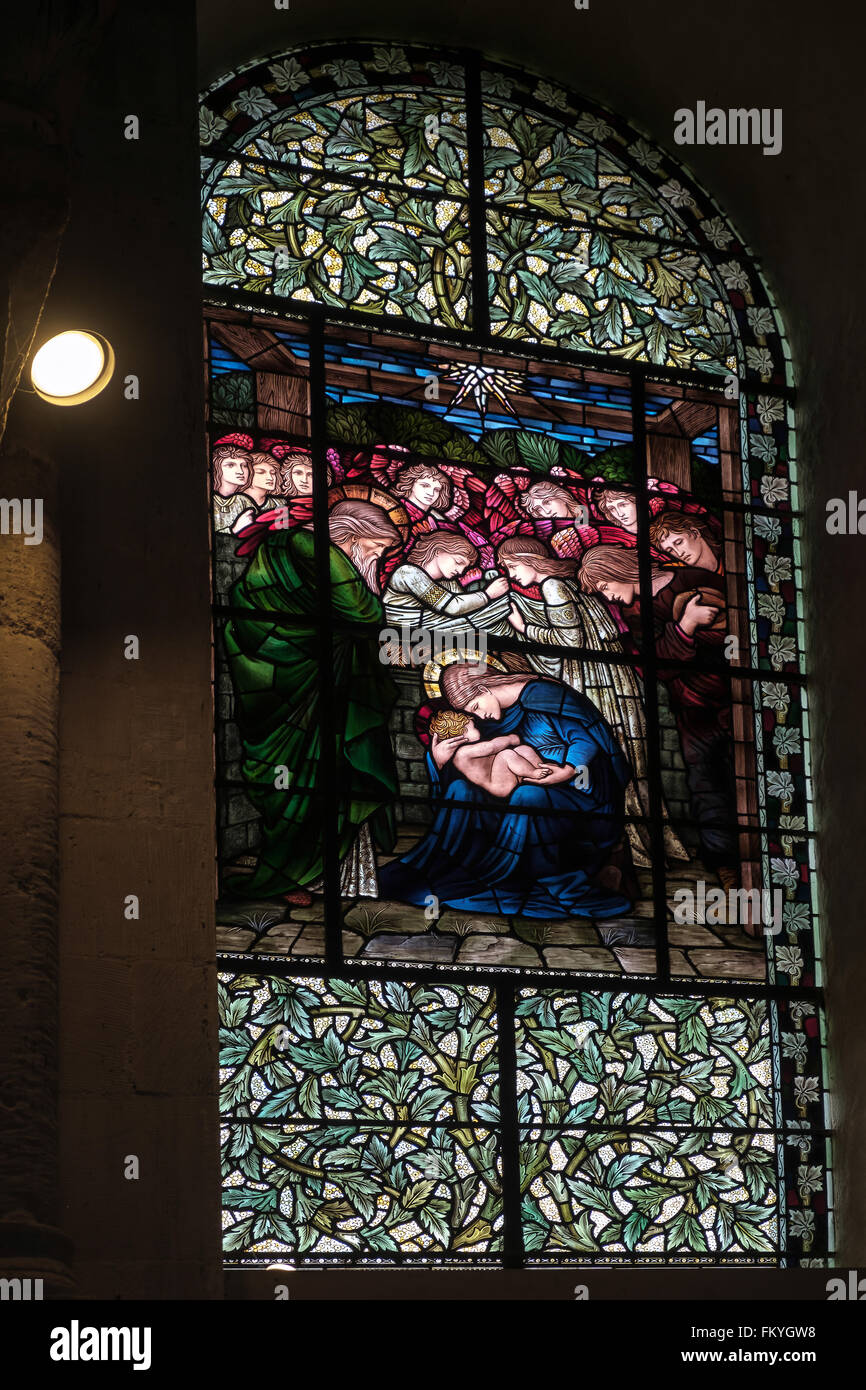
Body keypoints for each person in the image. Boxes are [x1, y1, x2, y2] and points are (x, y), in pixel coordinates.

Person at [223, 499, 403, 903]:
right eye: (376, 547)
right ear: (351, 533)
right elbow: (364, 611)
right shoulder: (312, 546)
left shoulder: (284, 549)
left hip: (303, 681)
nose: (377, 557)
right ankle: (292, 872)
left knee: (303, 778)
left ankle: (313, 871)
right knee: (308, 776)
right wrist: (367, 580)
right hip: (304, 682)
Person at [378, 664, 633, 919]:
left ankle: (564, 885)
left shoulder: (547, 697)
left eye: (475, 707)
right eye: (471, 714)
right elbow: (480, 757)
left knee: (527, 795)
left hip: (583, 795)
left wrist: (567, 771)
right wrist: (439, 762)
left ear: (482, 688)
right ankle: (465, 867)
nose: (479, 716)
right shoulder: (498, 717)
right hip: (529, 786)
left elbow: (586, 740)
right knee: (461, 789)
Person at [495, 536, 688, 868]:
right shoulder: (569, 585)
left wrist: (524, 627)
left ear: (531, 560)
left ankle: (631, 844)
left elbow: (569, 641)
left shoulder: (554, 586)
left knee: (610, 752)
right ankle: (650, 841)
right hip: (612, 677)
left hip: (592, 680)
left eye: (513, 566)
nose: (511, 574)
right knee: (629, 756)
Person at [578, 544, 737, 889]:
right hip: (694, 707)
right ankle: (726, 864)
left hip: (739, 695)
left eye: (605, 586)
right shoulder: (635, 616)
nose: (608, 596)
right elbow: (655, 667)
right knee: (706, 781)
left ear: (617, 568)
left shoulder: (695, 578)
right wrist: (686, 626)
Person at [382, 531, 509, 662]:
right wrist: (487, 594)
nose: (460, 571)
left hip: (436, 630)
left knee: (501, 610)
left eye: (465, 567)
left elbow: (466, 609)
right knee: (505, 605)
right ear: (438, 551)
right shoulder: (408, 573)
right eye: (458, 562)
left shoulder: (448, 582)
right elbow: (453, 607)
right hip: (405, 638)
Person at [427, 709, 553, 796]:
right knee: (505, 755)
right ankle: (533, 773)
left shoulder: (466, 750)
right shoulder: (462, 753)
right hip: (499, 786)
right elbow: (491, 747)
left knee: (523, 749)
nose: (477, 728)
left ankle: (542, 768)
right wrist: (510, 739)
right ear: (461, 733)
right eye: (473, 727)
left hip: (507, 775)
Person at [649, 509, 724, 573]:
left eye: (679, 542)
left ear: (695, 532)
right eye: (670, 550)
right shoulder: (674, 573)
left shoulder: (728, 562)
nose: (679, 553)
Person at [212, 443, 253, 532]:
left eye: (244, 465)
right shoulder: (210, 501)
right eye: (230, 465)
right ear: (216, 468)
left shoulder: (244, 501)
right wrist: (234, 530)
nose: (241, 471)